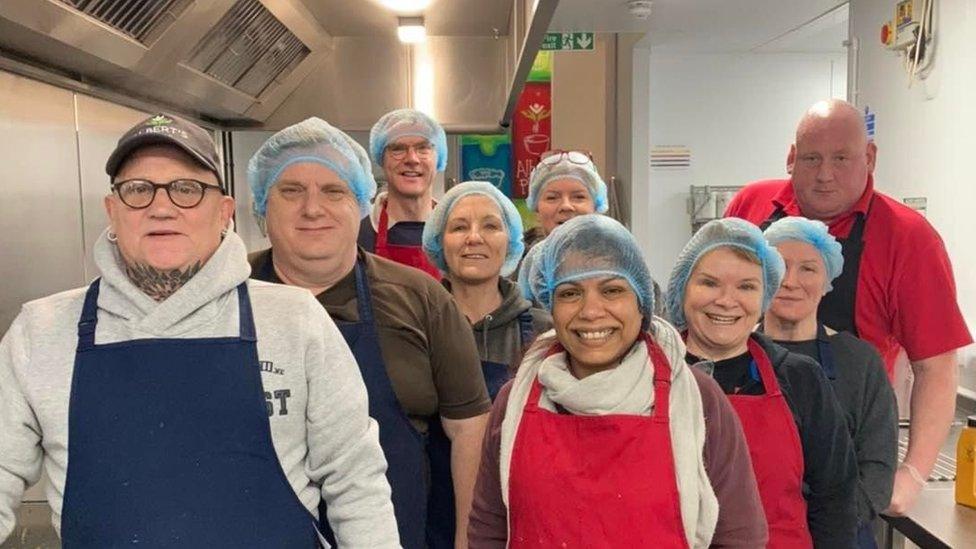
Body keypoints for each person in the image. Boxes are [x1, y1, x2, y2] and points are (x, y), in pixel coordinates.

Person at [0, 114, 399, 547]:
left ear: (224, 213)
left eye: (186, 189)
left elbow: (355, 483)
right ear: (112, 211)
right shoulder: (41, 332)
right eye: (138, 190)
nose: (162, 206)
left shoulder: (295, 321)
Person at [247, 117, 490, 549]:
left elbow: (469, 431)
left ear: (360, 201)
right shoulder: (227, 294)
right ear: (262, 204)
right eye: (291, 191)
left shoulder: (421, 297)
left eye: (334, 190)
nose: (312, 208)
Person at [724, 99, 971, 514]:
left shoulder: (909, 238)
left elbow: (937, 366)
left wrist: (910, 476)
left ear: (870, 158)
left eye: (841, 158)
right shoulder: (751, 207)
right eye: (812, 158)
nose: (824, 175)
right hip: (740, 455)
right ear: (790, 157)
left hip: (848, 463)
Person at [469, 214, 768, 548]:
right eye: (570, 293)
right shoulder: (516, 399)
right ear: (549, 305)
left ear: (641, 302)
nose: (591, 311)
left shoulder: (697, 398)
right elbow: (488, 527)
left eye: (612, 290)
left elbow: (739, 536)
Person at [666, 217, 858, 548]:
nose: (727, 300)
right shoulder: (652, 375)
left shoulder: (800, 379)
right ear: (683, 287)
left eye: (746, 286)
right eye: (709, 283)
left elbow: (835, 500)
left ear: (765, 297)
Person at [761, 216, 897, 549]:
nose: (791, 281)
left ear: (827, 281)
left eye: (808, 269)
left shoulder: (860, 361)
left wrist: (831, 530)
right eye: (778, 265)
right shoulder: (736, 354)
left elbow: (878, 467)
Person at [422, 181, 552, 399]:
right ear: (439, 242)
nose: (474, 238)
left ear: (510, 242)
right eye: (459, 227)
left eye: (490, 226)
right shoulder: (419, 326)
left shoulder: (545, 332)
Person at [359, 108, 448, 278]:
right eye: (398, 149)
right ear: (381, 159)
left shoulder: (458, 232)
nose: (412, 159)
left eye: (423, 148)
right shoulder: (357, 233)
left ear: (439, 159)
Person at [522, 149, 608, 252]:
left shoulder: (616, 261)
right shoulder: (519, 264)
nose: (566, 206)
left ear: (596, 207)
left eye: (579, 197)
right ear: (536, 209)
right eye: (552, 198)